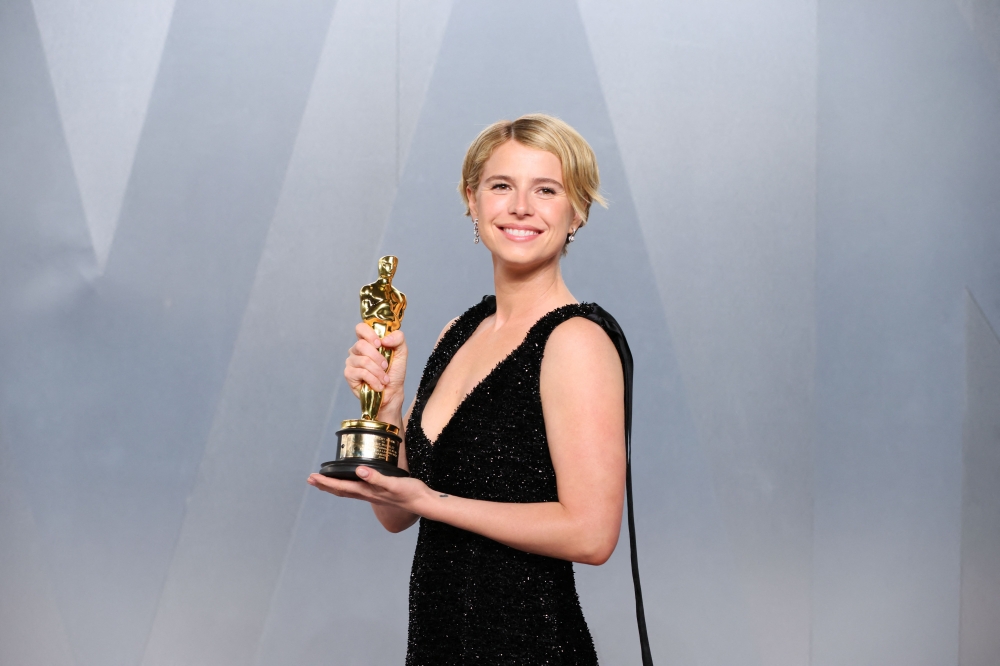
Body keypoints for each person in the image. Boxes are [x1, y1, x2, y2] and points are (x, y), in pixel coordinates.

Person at [308, 114, 630, 665]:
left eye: (546, 190)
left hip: (529, 649)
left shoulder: (576, 340)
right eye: (501, 185)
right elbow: (397, 514)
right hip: (438, 646)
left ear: (577, 211)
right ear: (472, 201)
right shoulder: (459, 331)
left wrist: (431, 502)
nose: (521, 207)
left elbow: (592, 535)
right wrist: (388, 404)